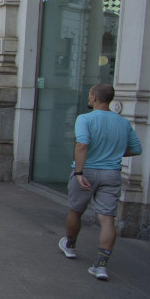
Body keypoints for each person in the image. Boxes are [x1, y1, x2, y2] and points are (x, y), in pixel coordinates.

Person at [60, 83, 142, 281]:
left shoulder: (85, 119)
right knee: (107, 219)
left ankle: (70, 245)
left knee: (76, 210)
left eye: (89, 95)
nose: (89, 98)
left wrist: (79, 172)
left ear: (95, 97)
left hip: (87, 170)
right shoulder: (123, 123)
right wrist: (113, 153)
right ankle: (101, 265)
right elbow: (136, 149)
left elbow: (82, 145)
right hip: (111, 173)